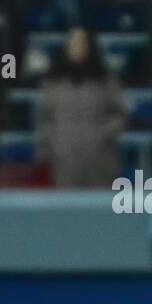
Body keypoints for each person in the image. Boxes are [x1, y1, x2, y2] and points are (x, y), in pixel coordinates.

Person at [36, 26, 126, 188]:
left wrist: (102, 135)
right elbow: (44, 118)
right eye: (73, 42)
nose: (77, 46)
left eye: (82, 42)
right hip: (63, 159)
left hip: (98, 158)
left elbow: (119, 114)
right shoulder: (52, 81)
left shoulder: (105, 79)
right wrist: (54, 143)